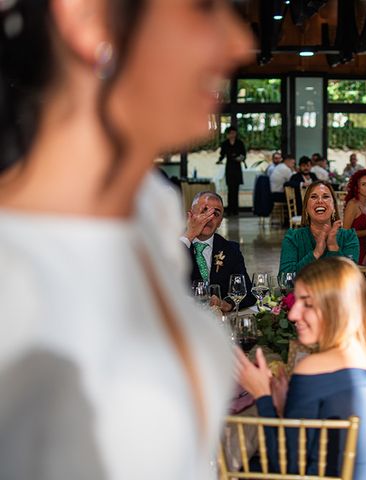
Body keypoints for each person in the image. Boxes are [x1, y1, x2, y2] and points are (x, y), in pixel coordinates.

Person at [0, 1, 252, 478]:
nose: (240, 43)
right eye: (203, 8)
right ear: (87, 16)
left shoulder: (149, 213)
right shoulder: (12, 276)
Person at [237, 257, 366, 479]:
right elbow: (329, 444)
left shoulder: (313, 367)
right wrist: (287, 408)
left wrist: (263, 395)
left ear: (335, 308)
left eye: (307, 303)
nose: (293, 315)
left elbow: (286, 467)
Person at [181, 192, 256, 311]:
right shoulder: (171, 244)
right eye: (204, 211)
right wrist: (189, 235)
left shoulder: (230, 250)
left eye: (216, 214)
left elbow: (248, 293)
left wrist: (227, 303)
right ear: (190, 216)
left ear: (220, 222)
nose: (210, 218)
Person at [278, 181, 359, 274]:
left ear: (334, 207)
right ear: (306, 208)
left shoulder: (349, 237)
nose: (320, 201)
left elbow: (350, 278)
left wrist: (333, 248)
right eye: (314, 197)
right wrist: (316, 253)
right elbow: (285, 280)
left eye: (325, 197)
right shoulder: (293, 238)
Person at [343, 169, 366, 266]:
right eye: (364, 184)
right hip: (354, 250)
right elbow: (345, 233)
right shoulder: (353, 205)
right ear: (357, 188)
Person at [218, 126, 246, 216]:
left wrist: (240, 158)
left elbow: (244, 154)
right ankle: (229, 210)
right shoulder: (225, 143)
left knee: (236, 189)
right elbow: (222, 154)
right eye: (230, 133)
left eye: (234, 133)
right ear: (228, 134)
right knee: (230, 189)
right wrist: (219, 160)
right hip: (229, 167)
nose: (232, 135)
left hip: (237, 167)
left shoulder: (240, 143)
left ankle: (235, 210)